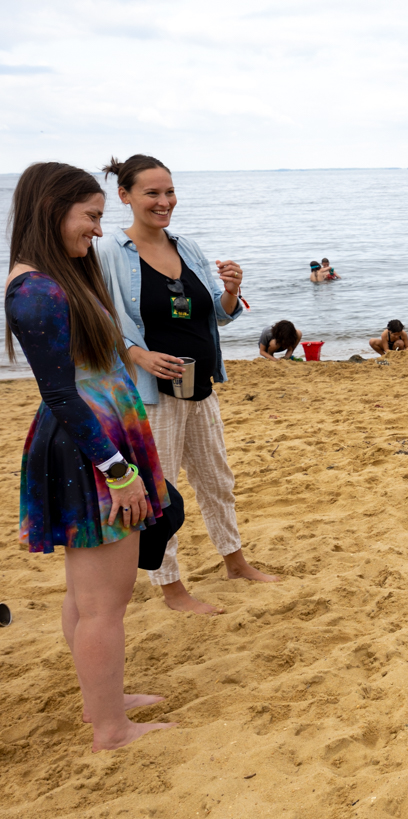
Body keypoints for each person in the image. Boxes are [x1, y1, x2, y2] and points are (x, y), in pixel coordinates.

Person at [5, 162, 176, 750]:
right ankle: (111, 728)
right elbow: (59, 394)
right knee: (105, 601)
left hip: (98, 438)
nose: (99, 231)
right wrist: (119, 471)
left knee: (86, 594)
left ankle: (101, 700)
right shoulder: (36, 290)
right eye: (91, 217)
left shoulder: (58, 278)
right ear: (53, 209)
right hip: (91, 448)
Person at [96, 154, 279, 616]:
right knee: (162, 492)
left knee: (217, 480)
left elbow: (212, 313)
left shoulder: (187, 246)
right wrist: (138, 355)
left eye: (169, 192)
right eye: (152, 193)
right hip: (151, 396)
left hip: (201, 386)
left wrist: (232, 293)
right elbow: (99, 320)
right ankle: (172, 588)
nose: (164, 202)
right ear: (125, 196)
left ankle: (235, 562)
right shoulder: (110, 254)